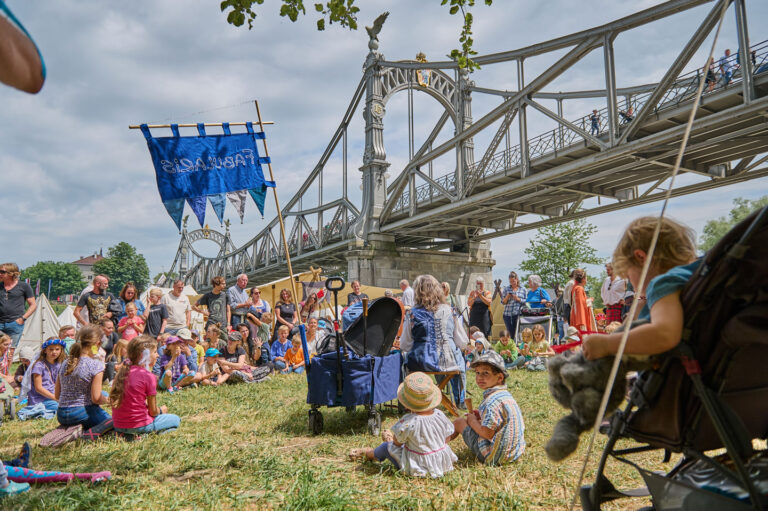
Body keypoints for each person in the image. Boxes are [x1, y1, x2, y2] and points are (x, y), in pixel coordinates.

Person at [583, 217, 698, 360]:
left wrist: (607, 344)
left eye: (628, 275)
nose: (631, 282)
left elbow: (664, 334)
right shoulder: (692, 276)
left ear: (641, 257)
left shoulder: (662, 283)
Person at [348, 372, 457, 478]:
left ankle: (368, 453)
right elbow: (447, 438)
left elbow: (397, 443)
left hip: (417, 466)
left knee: (386, 447)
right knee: (412, 444)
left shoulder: (409, 422)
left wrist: (396, 441)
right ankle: (389, 440)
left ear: (407, 403)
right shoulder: (440, 415)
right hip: (441, 464)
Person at [400, 275, 466, 408]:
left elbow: (405, 345)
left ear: (417, 291)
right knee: (458, 355)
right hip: (449, 363)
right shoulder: (450, 311)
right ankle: (459, 400)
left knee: (403, 358)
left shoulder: (412, 313)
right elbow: (462, 342)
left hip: (420, 363)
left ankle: (409, 400)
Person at [451, 351, 525, 465]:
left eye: (485, 373)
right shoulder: (505, 396)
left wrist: (472, 421)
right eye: (477, 372)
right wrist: (481, 417)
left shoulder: (491, 402)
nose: (479, 377)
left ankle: (436, 448)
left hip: (494, 457)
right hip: (513, 454)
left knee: (459, 422)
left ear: (499, 377)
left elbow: (487, 434)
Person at [110, 335, 181, 435]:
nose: (158, 355)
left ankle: (131, 435)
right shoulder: (148, 376)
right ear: (144, 355)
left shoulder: (121, 372)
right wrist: (161, 410)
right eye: (155, 352)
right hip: (140, 425)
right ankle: (144, 434)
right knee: (176, 419)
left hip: (118, 425)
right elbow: (153, 412)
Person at [54, 325, 111, 430]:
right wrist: (109, 401)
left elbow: (57, 395)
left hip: (61, 414)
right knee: (113, 423)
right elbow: (96, 398)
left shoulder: (65, 363)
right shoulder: (96, 365)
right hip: (82, 413)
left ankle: (73, 429)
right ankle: (87, 432)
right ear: (97, 343)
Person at [0, 262, 36, 361]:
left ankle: (5, 371)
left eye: (2, 272)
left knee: (10, 352)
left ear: (11, 273)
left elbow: (33, 305)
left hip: (15, 323)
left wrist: (22, 319)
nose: (0, 274)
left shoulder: (24, 286)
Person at [23, 338, 66, 418]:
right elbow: (38, 388)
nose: (54, 352)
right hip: (41, 399)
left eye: (57, 349)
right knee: (62, 408)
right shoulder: (39, 365)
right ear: (45, 350)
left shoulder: (59, 364)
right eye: (51, 349)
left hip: (55, 396)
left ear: (61, 350)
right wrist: (55, 398)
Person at [500, 272, 526, 337]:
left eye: (513, 281)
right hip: (507, 314)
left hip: (518, 313)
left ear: (517, 279)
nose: (512, 283)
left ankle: (517, 343)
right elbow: (503, 302)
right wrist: (507, 296)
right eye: (510, 281)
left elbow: (527, 302)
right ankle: (511, 343)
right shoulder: (506, 289)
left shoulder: (523, 289)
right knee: (510, 333)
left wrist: (518, 299)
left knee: (518, 332)